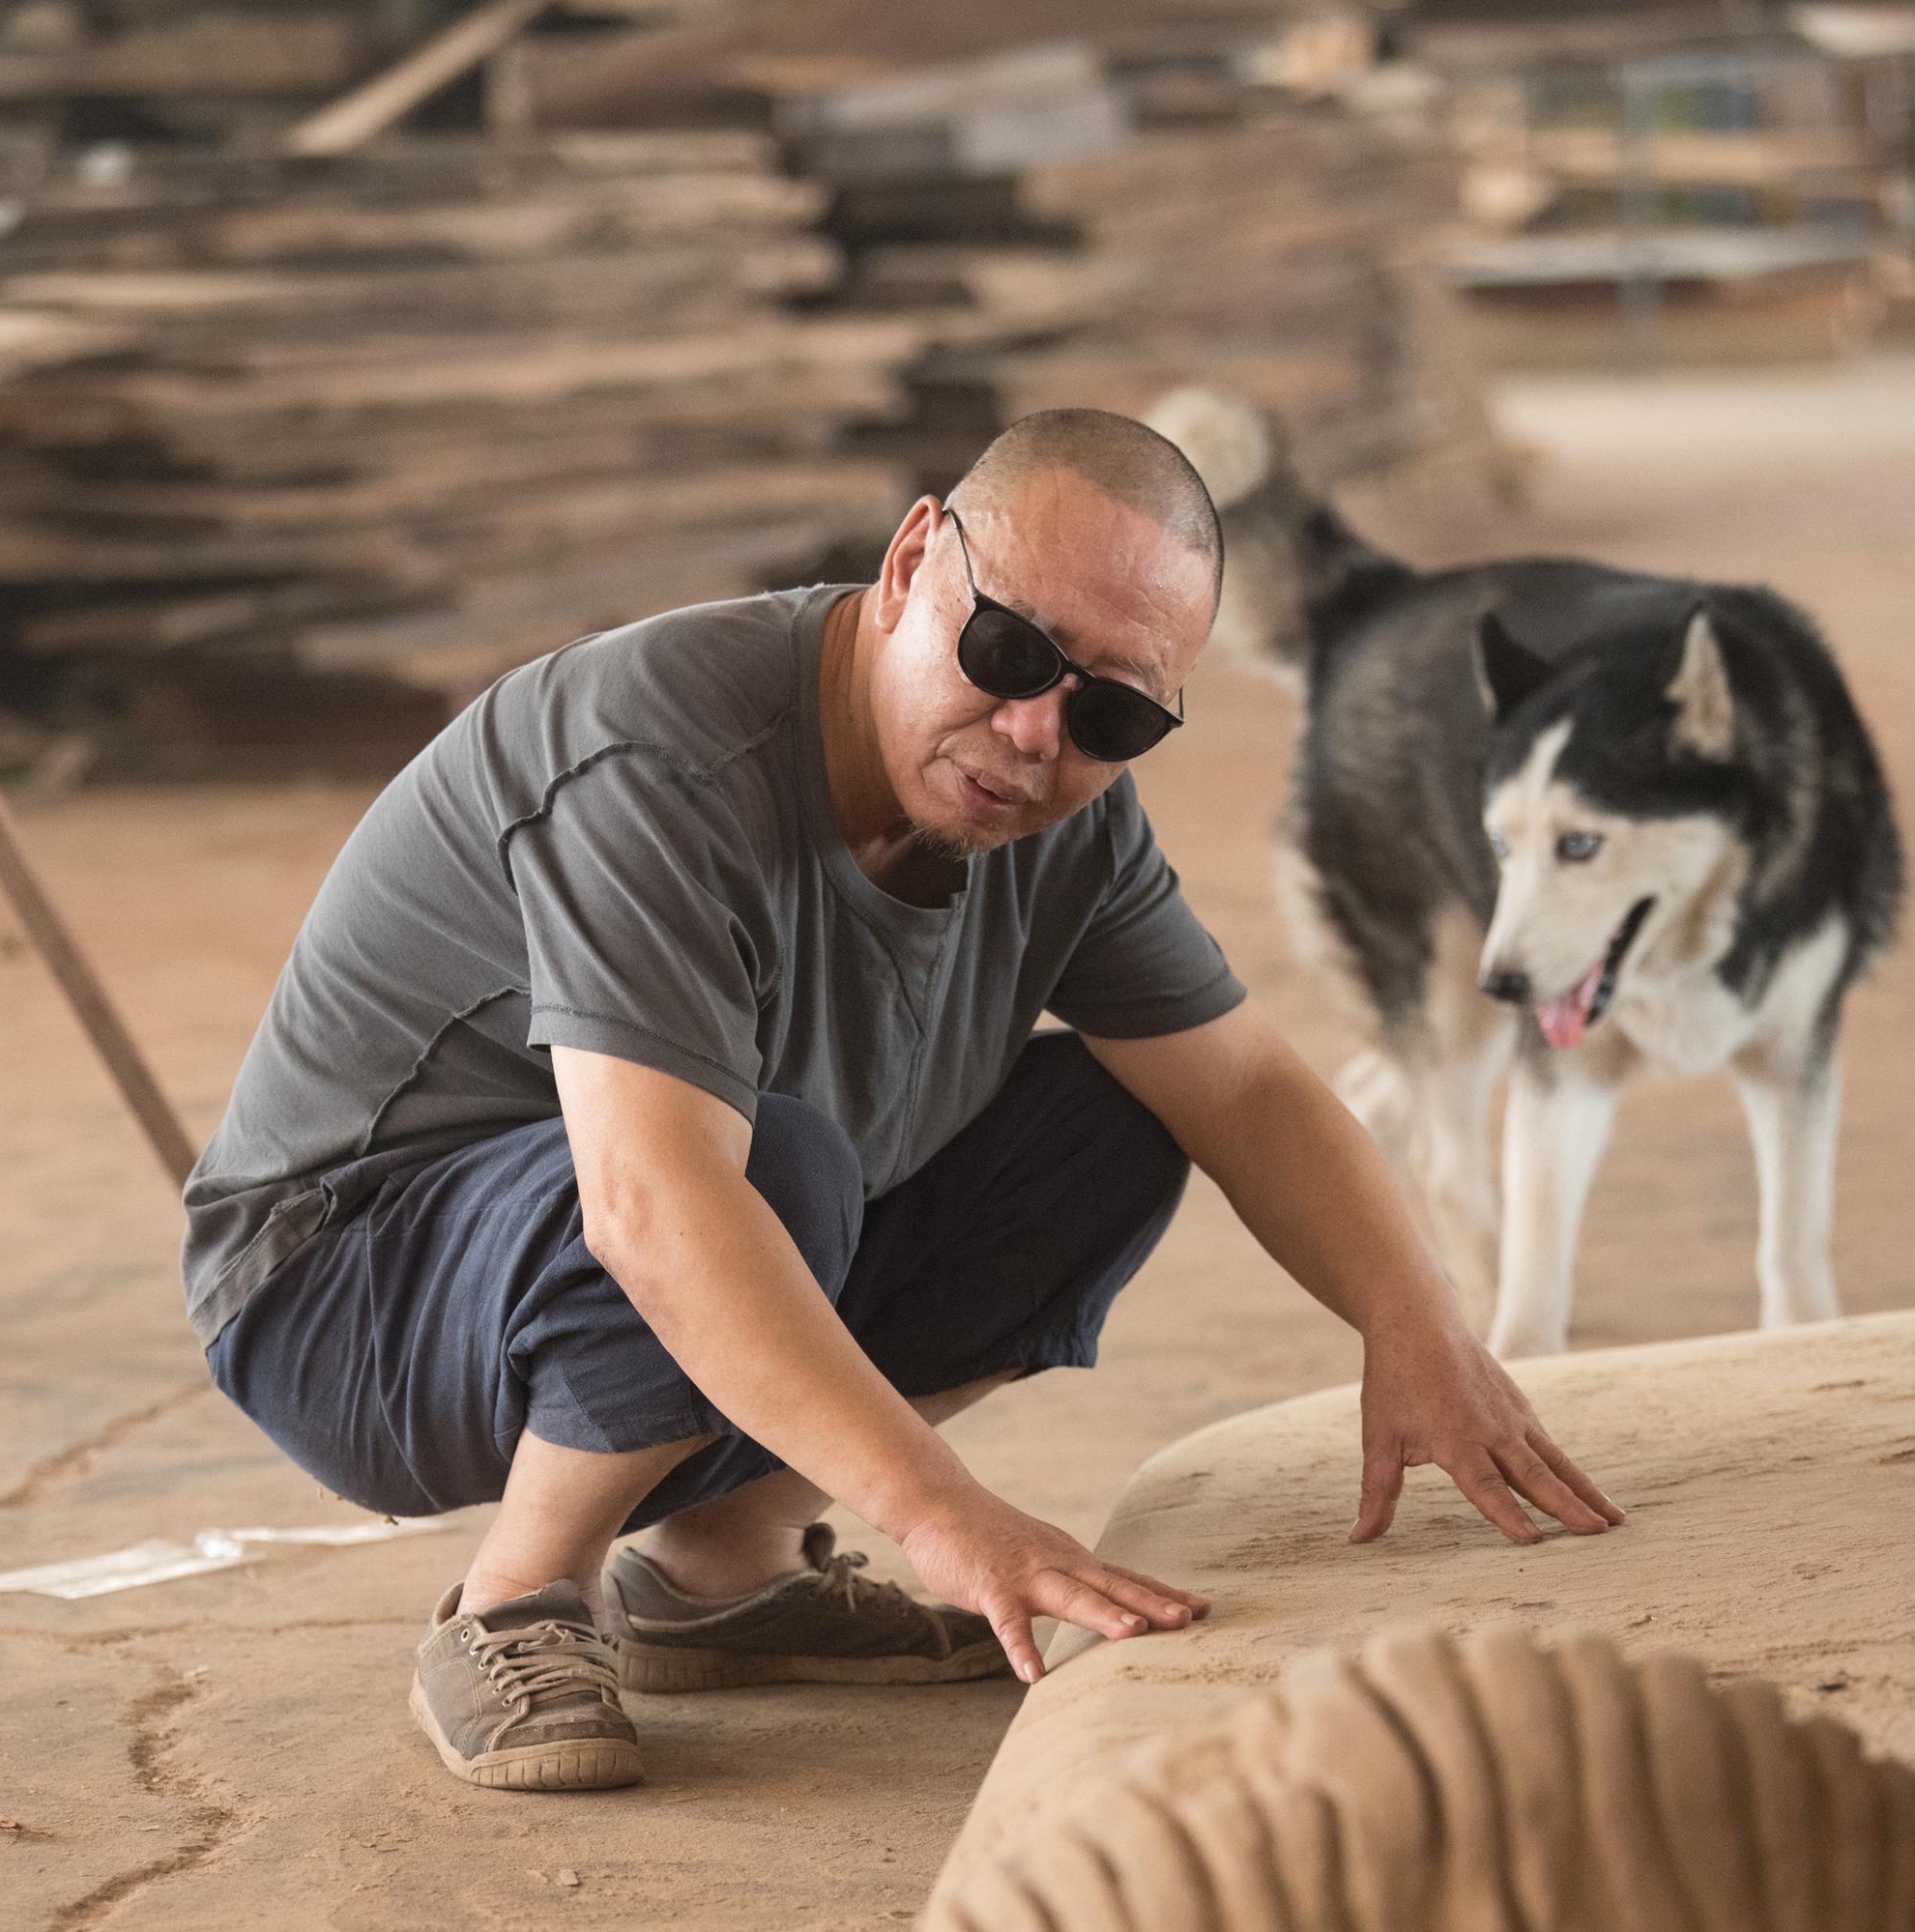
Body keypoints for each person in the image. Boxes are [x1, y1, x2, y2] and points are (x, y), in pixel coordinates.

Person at [183, 410, 1618, 1795]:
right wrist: (946, 1519)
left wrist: (1418, 1327)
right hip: (340, 1294)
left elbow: (1240, 1086)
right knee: (761, 1170)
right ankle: (519, 1599)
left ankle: (723, 1575)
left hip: (636, 1237)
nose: (1034, 732)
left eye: (1112, 706)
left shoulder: (1070, 819)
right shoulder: (660, 755)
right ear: (912, 561)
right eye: (1005, 650)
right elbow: (654, 1203)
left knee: (1115, 1121)